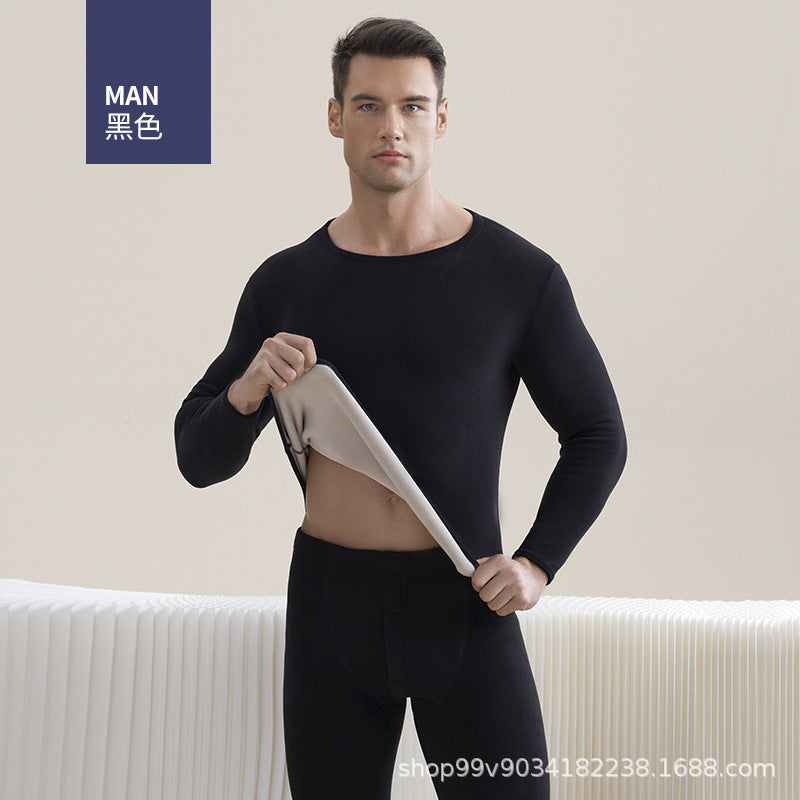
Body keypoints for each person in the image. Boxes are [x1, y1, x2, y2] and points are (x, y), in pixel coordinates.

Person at [174, 16, 627, 800]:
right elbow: (196, 458)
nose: (392, 127)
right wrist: (247, 391)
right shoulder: (285, 283)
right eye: (369, 105)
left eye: (413, 106)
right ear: (335, 117)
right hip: (330, 605)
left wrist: (535, 563)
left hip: (463, 600)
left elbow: (598, 434)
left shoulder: (516, 277)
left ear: (440, 119)